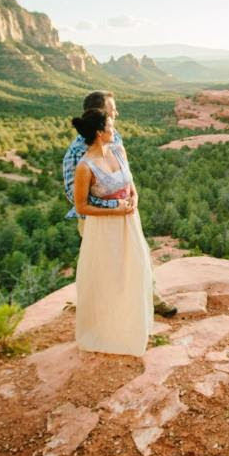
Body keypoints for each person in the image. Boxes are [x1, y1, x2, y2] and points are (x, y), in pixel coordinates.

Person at [62, 90, 176, 317]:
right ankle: (97, 310)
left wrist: (133, 195)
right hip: (96, 221)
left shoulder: (115, 137)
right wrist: (113, 207)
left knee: (139, 257)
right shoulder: (76, 153)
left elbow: (125, 172)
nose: (117, 113)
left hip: (125, 214)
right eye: (112, 110)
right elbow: (73, 195)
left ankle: (152, 300)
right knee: (102, 267)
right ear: (100, 115)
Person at [71, 108, 154, 356]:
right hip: (104, 228)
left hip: (130, 222)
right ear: (99, 132)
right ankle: (106, 332)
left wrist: (135, 198)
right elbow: (81, 206)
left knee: (135, 271)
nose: (114, 129)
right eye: (110, 126)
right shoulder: (85, 167)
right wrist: (114, 211)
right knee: (107, 277)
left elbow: (130, 183)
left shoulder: (118, 150)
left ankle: (132, 329)